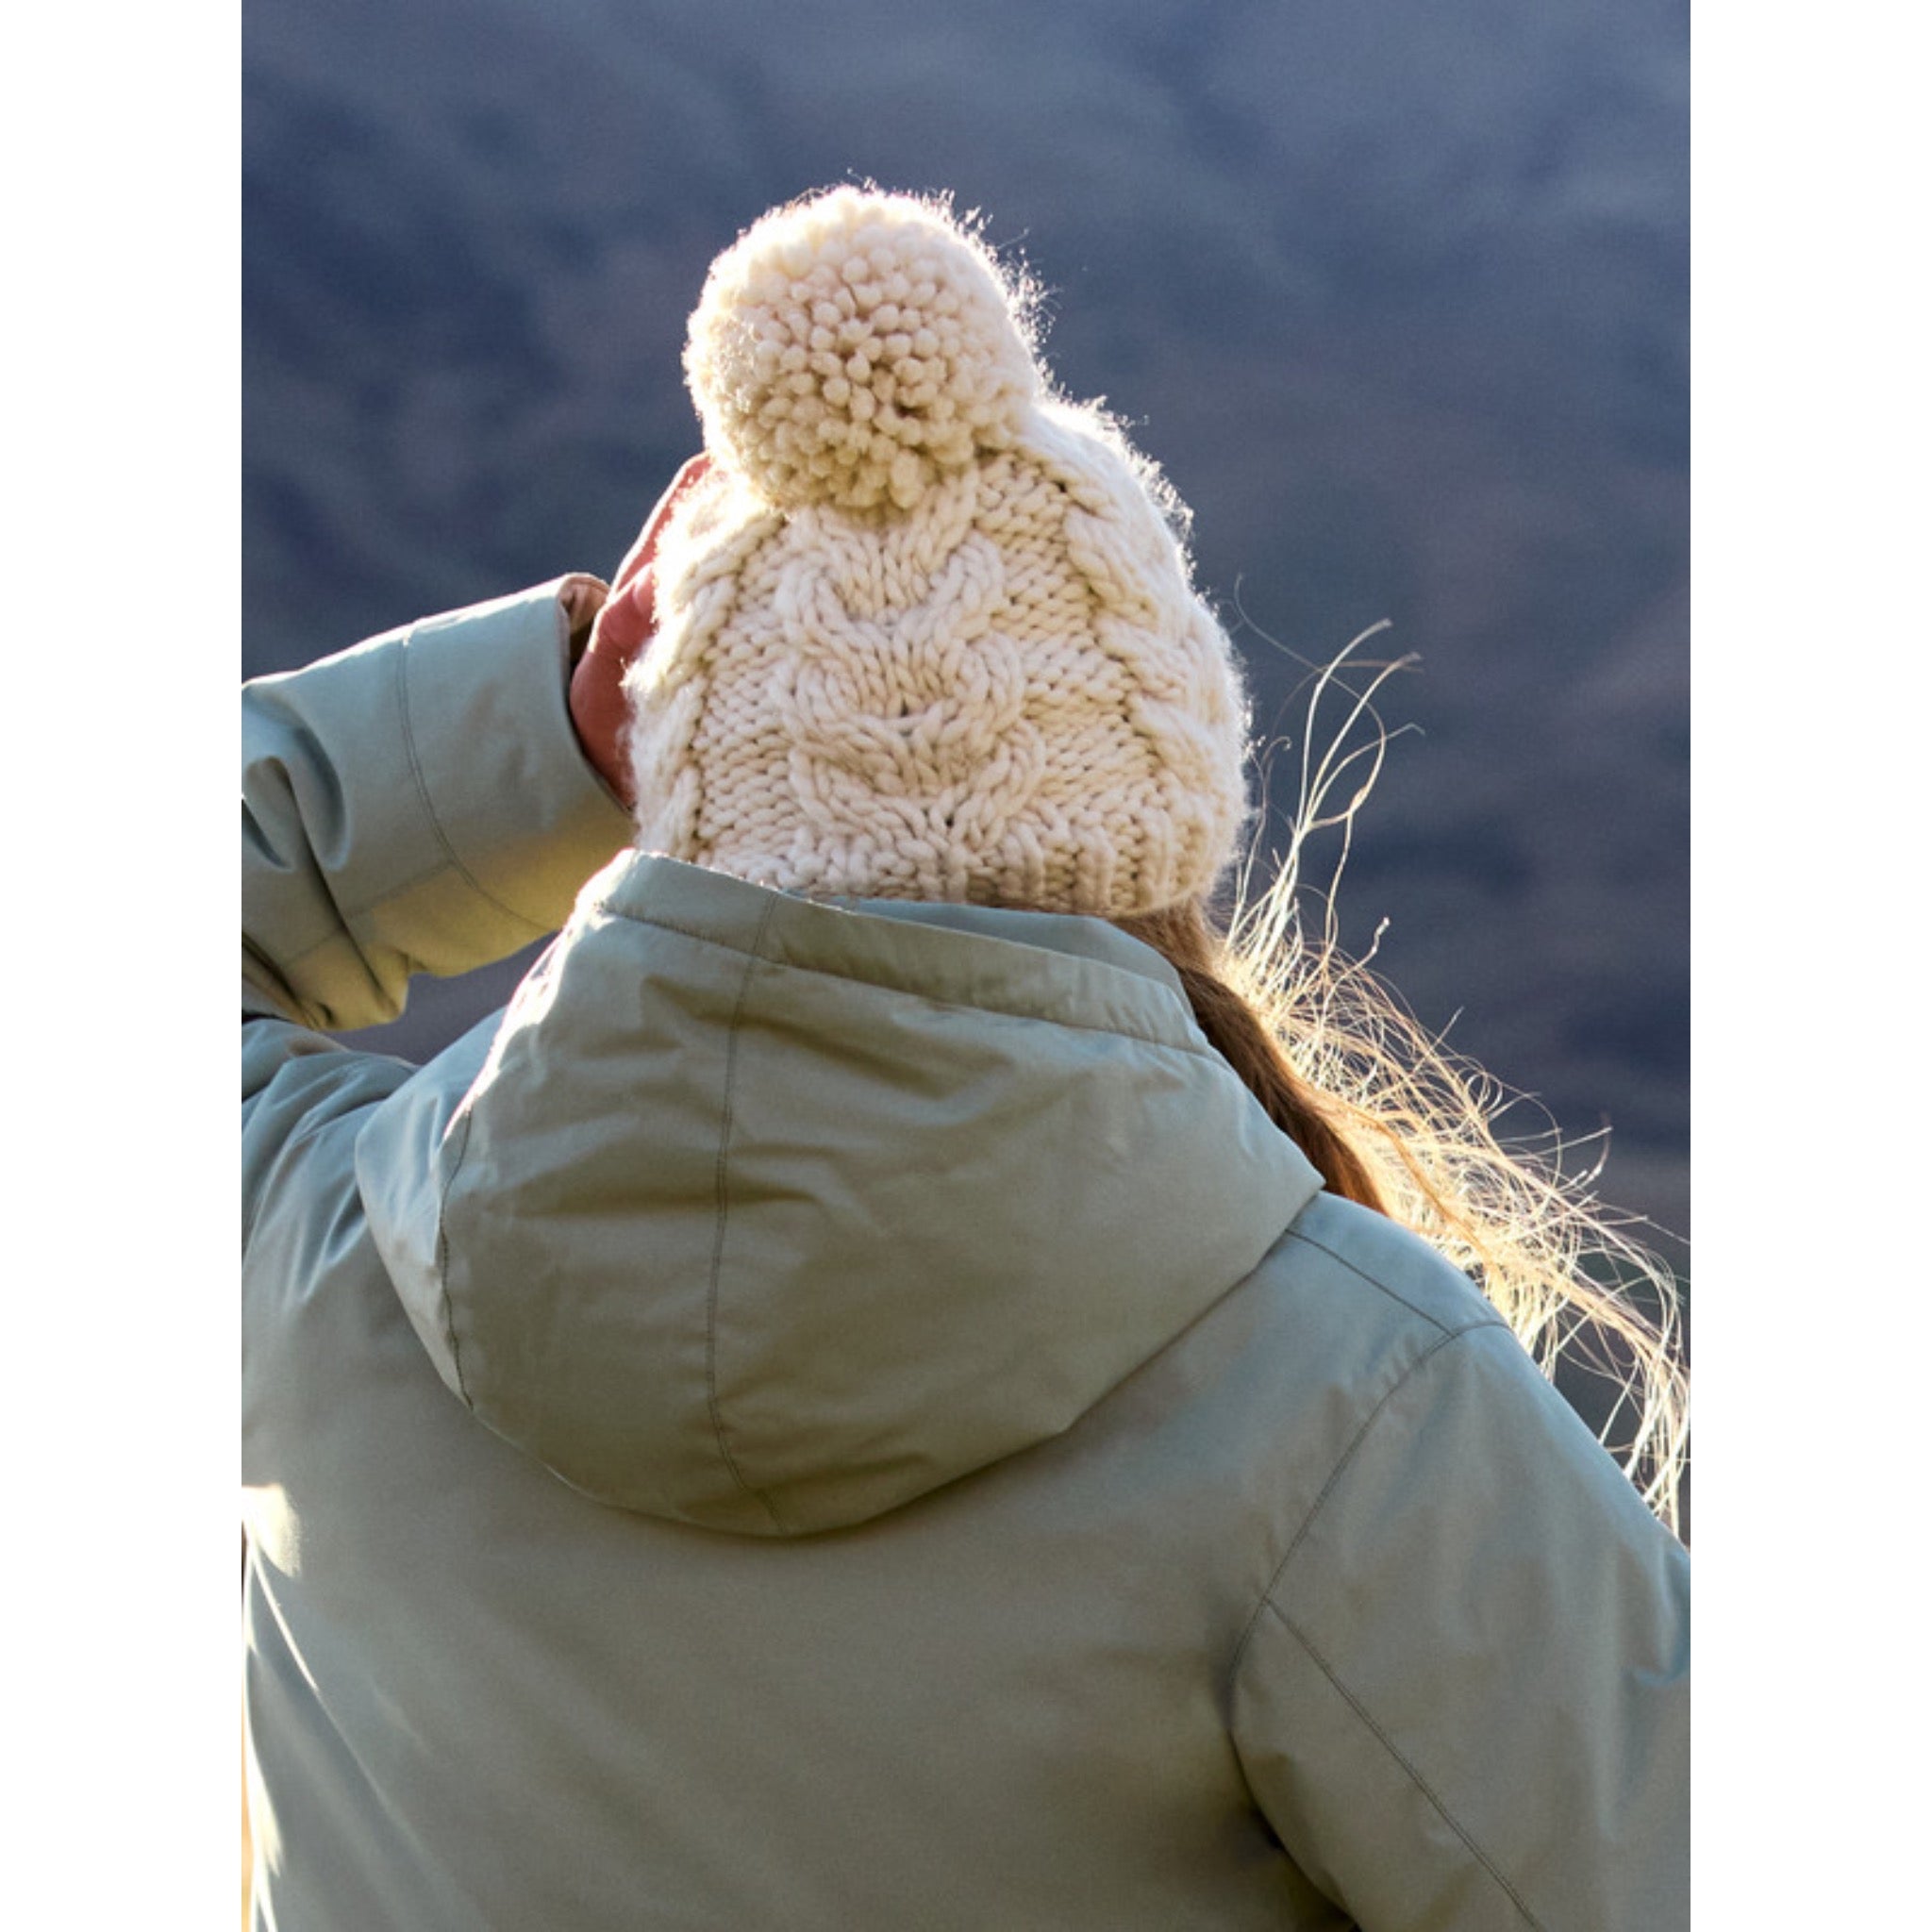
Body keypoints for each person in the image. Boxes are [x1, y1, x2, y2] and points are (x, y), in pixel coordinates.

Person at [242, 187, 1689, 1929]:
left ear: (677, 791)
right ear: (1157, 806)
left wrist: (540, 730)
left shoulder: (315, 1265)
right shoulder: (1352, 1401)